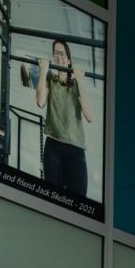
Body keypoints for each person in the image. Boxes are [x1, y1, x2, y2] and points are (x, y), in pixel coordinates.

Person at [34, 40, 93, 195]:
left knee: (78, 198)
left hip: (75, 149)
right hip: (53, 146)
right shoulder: (50, 80)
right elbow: (40, 102)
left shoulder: (75, 84)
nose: (59, 57)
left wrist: (80, 80)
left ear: (69, 58)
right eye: (56, 53)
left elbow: (89, 115)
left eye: (62, 54)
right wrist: (43, 71)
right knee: (53, 196)